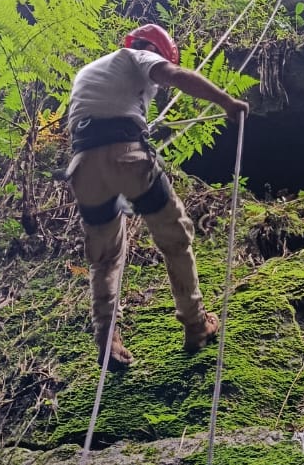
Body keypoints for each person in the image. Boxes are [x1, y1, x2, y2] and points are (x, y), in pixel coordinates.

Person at [66, 23, 248, 369]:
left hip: (83, 167)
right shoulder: (137, 55)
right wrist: (225, 101)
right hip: (126, 156)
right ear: (155, 50)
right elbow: (174, 75)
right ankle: (195, 324)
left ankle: (107, 340)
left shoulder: (88, 72)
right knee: (174, 235)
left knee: (104, 257)